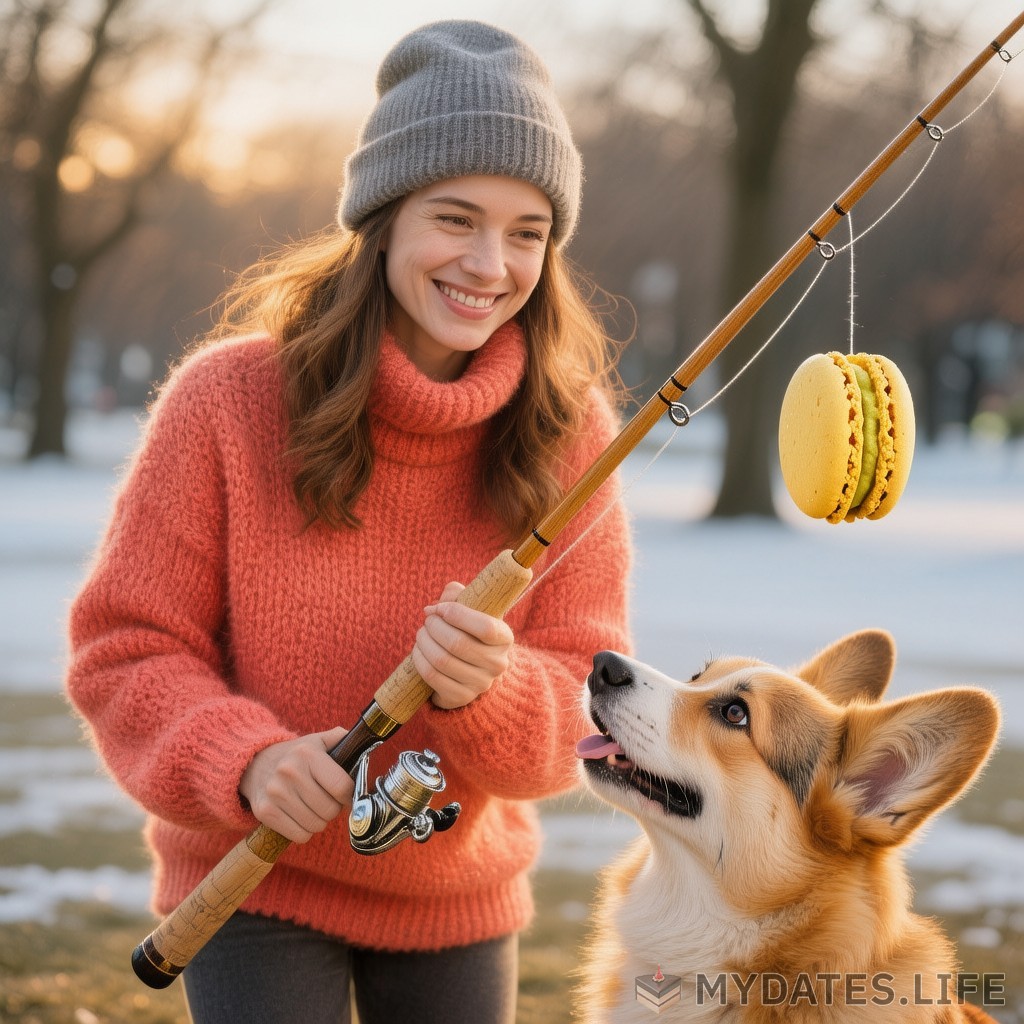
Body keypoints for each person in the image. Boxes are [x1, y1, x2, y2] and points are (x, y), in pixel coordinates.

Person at [65, 19, 632, 1024]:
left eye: (527, 230)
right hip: (252, 885)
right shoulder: (227, 402)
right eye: (454, 218)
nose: (490, 263)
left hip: (458, 903)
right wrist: (245, 759)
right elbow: (127, 648)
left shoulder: (572, 431)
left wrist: (492, 693)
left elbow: (588, 696)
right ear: (381, 218)